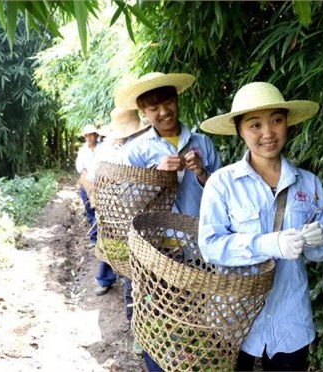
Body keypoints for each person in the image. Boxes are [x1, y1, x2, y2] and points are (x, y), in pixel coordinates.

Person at [198, 82, 323, 371]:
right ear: (239, 130)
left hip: (291, 318)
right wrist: (270, 243)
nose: (268, 133)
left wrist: (318, 240)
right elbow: (210, 247)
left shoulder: (309, 183)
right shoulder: (221, 184)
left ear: (287, 123)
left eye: (276, 120)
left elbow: (320, 256)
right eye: (255, 124)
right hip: (236, 317)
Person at [115, 72, 223, 369]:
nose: (163, 112)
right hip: (156, 253)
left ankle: (194, 364)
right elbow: (126, 203)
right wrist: (156, 176)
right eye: (153, 108)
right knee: (157, 317)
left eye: (168, 102)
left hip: (199, 248)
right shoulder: (135, 151)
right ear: (143, 113)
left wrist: (201, 172)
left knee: (197, 317)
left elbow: (224, 196)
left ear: (177, 100)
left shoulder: (202, 143)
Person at [89, 107, 149, 354]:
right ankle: (137, 329)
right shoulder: (105, 151)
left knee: (152, 284)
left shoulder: (147, 144)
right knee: (131, 279)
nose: (128, 138)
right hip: (122, 223)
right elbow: (97, 184)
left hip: (152, 223)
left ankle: (152, 329)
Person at [75, 124, 99, 249]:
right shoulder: (83, 151)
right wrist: (86, 178)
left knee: (102, 212)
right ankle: (94, 239)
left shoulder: (104, 148)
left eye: (91, 135)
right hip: (86, 185)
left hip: (102, 184)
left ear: (96, 135)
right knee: (90, 211)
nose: (89, 138)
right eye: (87, 136)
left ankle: (104, 240)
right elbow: (80, 166)